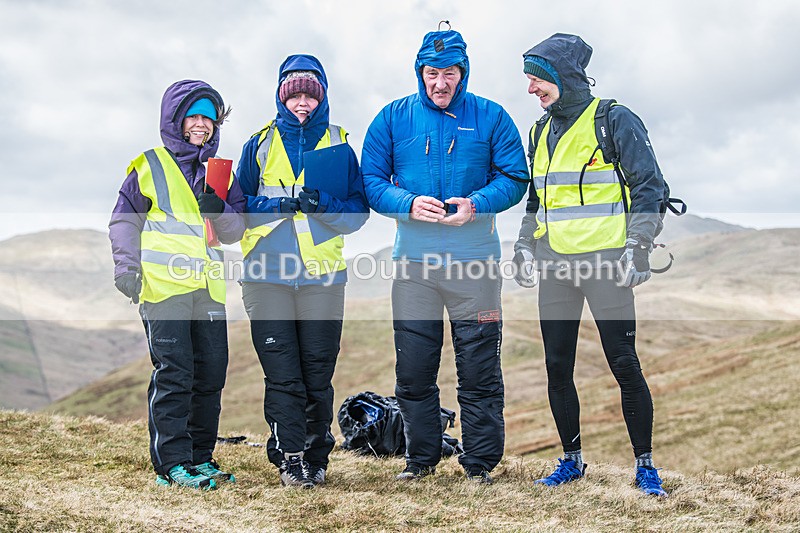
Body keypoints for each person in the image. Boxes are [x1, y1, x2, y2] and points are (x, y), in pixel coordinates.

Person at [361, 26, 529, 484]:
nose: (440, 82)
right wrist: (406, 203)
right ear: (420, 73)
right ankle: (420, 460)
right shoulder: (393, 118)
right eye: (431, 72)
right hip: (413, 268)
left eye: (449, 72)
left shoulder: (491, 116)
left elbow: (516, 177)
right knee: (414, 370)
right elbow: (371, 179)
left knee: (479, 371)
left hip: (475, 265)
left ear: (463, 73)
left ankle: (478, 465)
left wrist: (476, 204)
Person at [512, 33, 668, 497]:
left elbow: (650, 187)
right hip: (555, 267)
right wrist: (524, 245)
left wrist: (638, 246)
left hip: (606, 265)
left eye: (538, 79)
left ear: (564, 75)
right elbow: (537, 199)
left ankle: (645, 467)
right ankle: (571, 460)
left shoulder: (614, 119)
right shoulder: (539, 131)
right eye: (529, 80)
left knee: (624, 363)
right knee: (557, 367)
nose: (532, 89)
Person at [236, 54, 369, 488]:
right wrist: (276, 206)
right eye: (294, 96)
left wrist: (324, 206)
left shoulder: (338, 144)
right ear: (281, 97)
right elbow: (234, 212)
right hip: (266, 276)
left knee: (317, 374)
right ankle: (290, 457)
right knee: (283, 373)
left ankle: (316, 457)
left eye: (311, 96)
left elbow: (356, 215)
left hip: (322, 279)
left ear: (322, 98)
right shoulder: (256, 144)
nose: (302, 104)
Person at [109, 80, 246, 490]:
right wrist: (125, 267)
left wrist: (217, 208)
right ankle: (172, 465)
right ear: (176, 121)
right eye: (194, 117)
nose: (202, 125)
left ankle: (200, 458)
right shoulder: (147, 166)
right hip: (162, 287)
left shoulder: (220, 173)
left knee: (210, 374)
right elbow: (123, 220)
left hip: (208, 288)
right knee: (175, 374)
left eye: (209, 118)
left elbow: (236, 230)